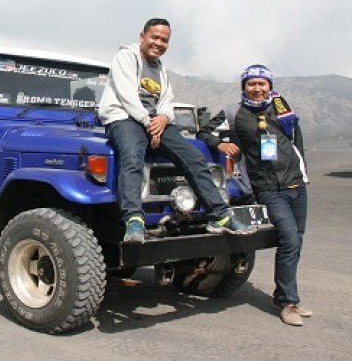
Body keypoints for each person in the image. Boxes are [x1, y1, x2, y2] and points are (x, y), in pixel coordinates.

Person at [98, 18, 256, 244]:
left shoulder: (160, 69)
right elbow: (127, 96)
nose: (159, 43)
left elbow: (165, 101)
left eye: (164, 40)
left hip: (154, 123)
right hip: (123, 117)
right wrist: (149, 122)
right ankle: (134, 219)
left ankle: (219, 215)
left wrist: (162, 118)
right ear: (142, 36)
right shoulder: (125, 57)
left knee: (194, 157)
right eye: (155, 37)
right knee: (132, 158)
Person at [197, 64, 311, 326]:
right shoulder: (234, 112)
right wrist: (220, 143)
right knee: (289, 240)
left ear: (269, 85)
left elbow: (296, 142)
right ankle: (288, 303)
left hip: (296, 185)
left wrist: (303, 175)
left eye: (262, 84)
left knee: (297, 241)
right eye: (251, 84)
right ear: (244, 87)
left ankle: (283, 295)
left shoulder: (282, 106)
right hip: (267, 188)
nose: (257, 89)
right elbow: (204, 131)